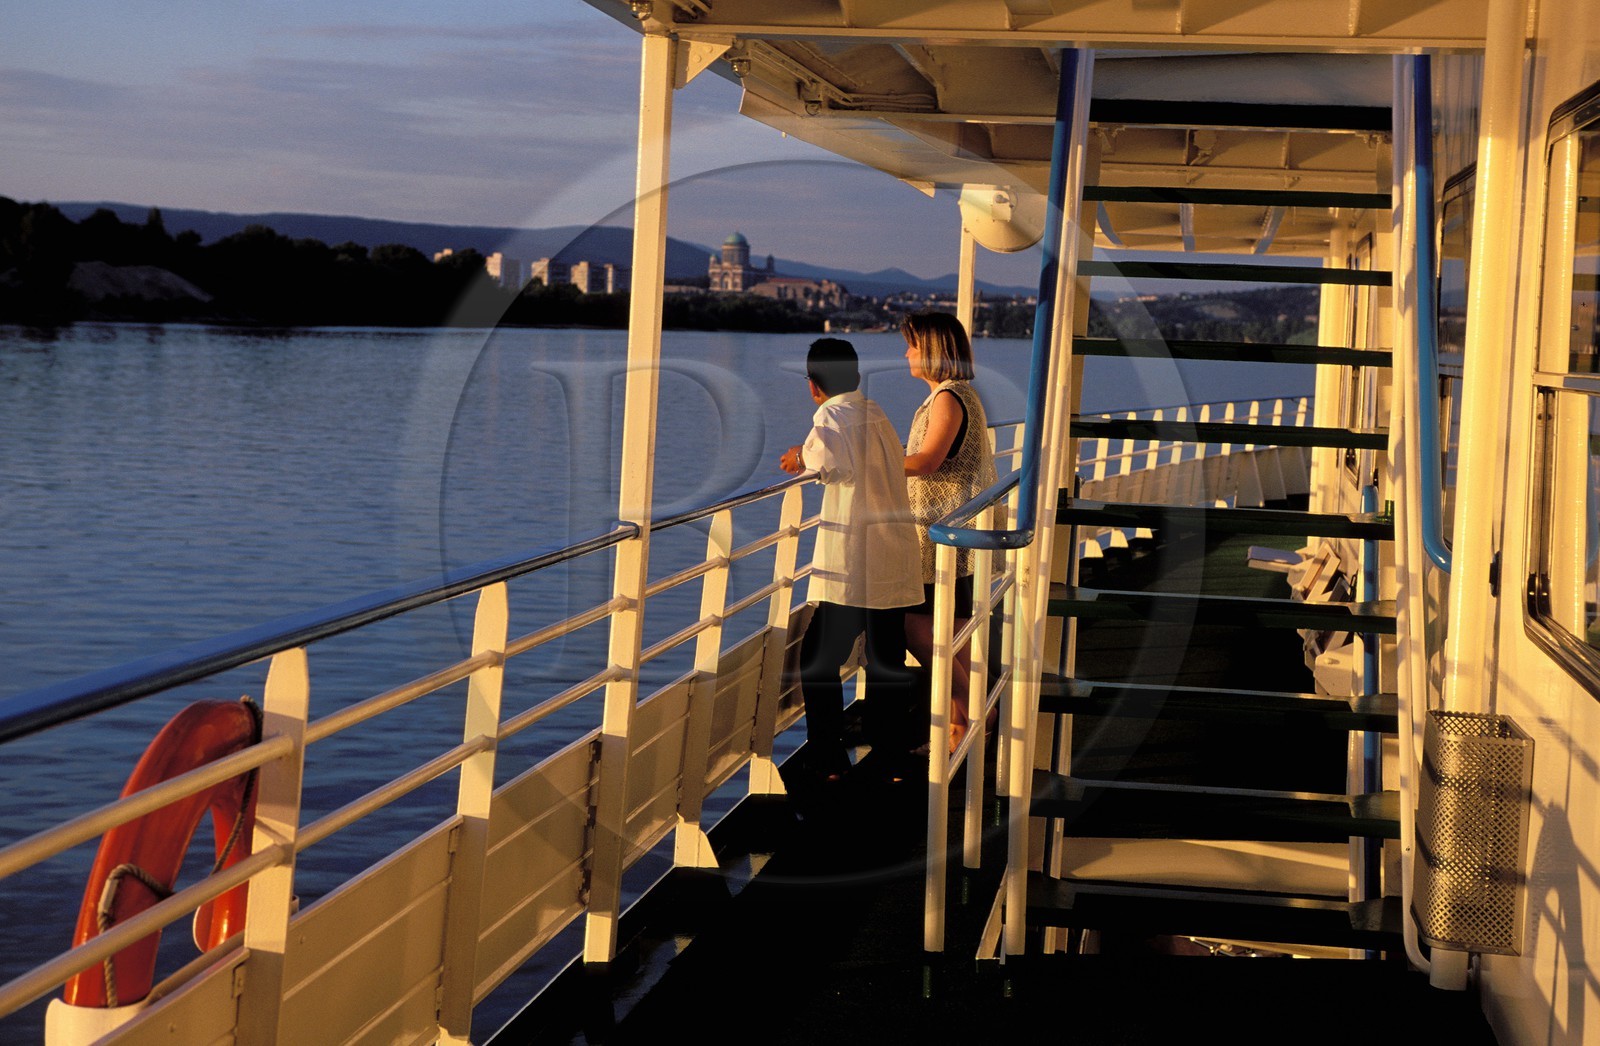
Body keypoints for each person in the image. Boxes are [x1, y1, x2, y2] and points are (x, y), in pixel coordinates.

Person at [780, 338, 923, 783]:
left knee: (817, 660)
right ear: (857, 377)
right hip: (891, 553)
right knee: (885, 659)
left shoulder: (830, 415)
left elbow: (828, 463)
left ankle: (828, 759)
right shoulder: (874, 411)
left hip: (854, 562)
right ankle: (891, 756)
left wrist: (798, 455)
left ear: (812, 386)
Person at [900, 311, 999, 753]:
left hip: (944, 538)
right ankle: (962, 726)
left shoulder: (948, 398)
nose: (906, 354)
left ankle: (976, 713)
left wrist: (869, 459)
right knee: (955, 637)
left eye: (913, 346)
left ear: (933, 351)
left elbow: (928, 461)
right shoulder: (957, 394)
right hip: (954, 535)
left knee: (915, 629)